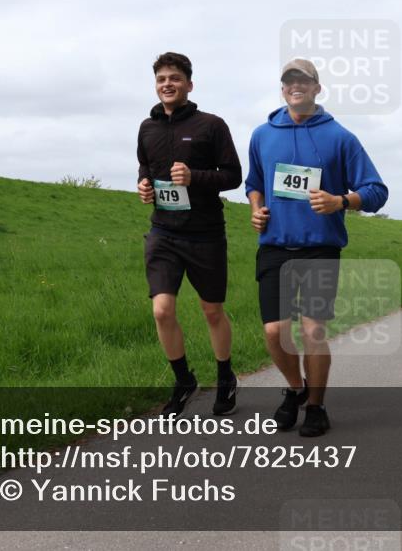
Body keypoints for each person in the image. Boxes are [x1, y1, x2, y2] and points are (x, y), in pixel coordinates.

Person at [245, 58, 388, 437]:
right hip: (274, 246)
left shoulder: (340, 137)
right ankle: (296, 388)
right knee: (275, 332)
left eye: (304, 81)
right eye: (289, 81)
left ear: (316, 88)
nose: (296, 87)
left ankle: (316, 406)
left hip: (319, 248)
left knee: (312, 331)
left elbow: (377, 192)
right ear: (282, 89)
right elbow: (253, 182)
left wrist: (341, 201)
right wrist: (256, 208)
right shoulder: (262, 134)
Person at [137, 52, 243, 417]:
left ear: (189, 85)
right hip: (163, 231)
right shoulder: (146, 128)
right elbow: (144, 167)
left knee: (212, 310)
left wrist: (195, 176)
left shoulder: (211, 125)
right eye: (162, 78)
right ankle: (183, 380)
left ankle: (226, 376)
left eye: (175, 78)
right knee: (162, 309)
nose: (168, 84)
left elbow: (232, 176)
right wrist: (144, 185)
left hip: (205, 233)